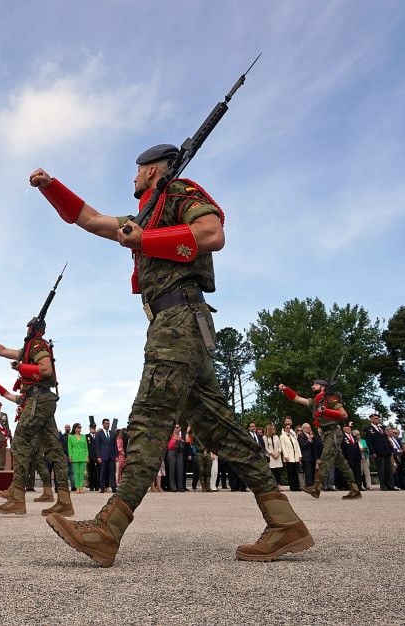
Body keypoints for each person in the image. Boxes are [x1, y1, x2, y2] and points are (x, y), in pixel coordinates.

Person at [30, 149, 311, 566]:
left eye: (137, 172)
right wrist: (51, 187)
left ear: (150, 170)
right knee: (222, 432)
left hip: (178, 320)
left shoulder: (180, 193)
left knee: (148, 418)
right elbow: (88, 218)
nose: (134, 178)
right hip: (178, 323)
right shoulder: (143, 215)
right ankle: (284, 522)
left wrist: (145, 240)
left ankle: (107, 529)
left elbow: (212, 234)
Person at [0, 321, 73, 518]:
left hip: (38, 399)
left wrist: (21, 367)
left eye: (28, 328)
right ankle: (64, 501)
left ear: (33, 330)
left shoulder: (36, 346)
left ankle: (17, 496)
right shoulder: (28, 349)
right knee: (55, 451)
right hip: (43, 400)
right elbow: (2, 350)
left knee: (20, 443)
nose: (26, 331)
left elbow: (46, 370)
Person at [280, 379, 360, 500]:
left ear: (323, 387)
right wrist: (286, 389)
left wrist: (325, 410)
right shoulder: (315, 401)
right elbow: (297, 398)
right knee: (342, 464)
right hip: (327, 433)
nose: (313, 386)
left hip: (333, 432)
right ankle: (355, 490)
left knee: (325, 458)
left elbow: (343, 414)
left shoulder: (330, 399)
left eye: (316, 384)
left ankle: (316, 487)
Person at [365, 414, 393, 491]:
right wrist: (372, 452)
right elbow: (369, 442)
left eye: (378, 418)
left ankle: (390, 485)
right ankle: (383, 485)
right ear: (371, 419)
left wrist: (390, 448)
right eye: (375, 418)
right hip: (378, 451)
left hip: (387, 450)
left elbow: (387, 438)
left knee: (389, 469)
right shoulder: (368, 429)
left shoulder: (382, 428)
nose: (377, 419)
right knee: (381, 469)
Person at [278, 418, 302, 492]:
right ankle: (292, 486)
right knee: (290, 472)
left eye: (289, 428)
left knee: (295, 471)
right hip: (289, 456)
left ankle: (297, 486)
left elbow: (297, 446)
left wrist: (300, 455)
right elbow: (283, 447)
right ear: (284, 429)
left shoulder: (293, 436)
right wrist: (285, 456)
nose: (288, 429)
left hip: (295, 456)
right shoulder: (282, 437)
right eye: (287, 428)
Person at [96, 418, 117, 492]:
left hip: (112, 456)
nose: (107, 425)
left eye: (108, 423)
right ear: (103, 424)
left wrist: (116, 456)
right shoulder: (99, 434)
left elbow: (115, 446)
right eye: (106, 423)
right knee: (103, 472)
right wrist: (98, 456)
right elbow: (97, 446)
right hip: (103, 456)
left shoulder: (113, 434)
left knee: (112, 472)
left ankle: (114, 487)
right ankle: (102, 487)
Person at [66, 424, 88, 492]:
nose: (80, 428)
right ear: (75, 428)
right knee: (76, 473)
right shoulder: (71, 437)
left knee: (82, 473)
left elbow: (86, 447)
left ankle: (81, 487)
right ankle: (77, 487)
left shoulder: (84, 437)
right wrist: (70, 456)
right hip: (75, 456)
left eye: (80, 427)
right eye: (78, 427)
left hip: (83, 456)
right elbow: (69, 447)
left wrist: (87, 456)